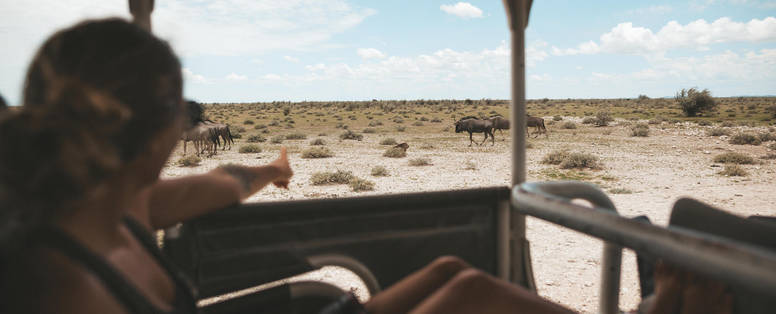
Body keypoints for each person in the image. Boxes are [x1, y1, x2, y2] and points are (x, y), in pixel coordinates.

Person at [0, 18, 571, 314]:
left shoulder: (115, 207)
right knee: (469, 294)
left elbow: (218, 183)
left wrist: (269, 172)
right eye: (186, 111)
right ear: (158, 129)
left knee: (453, 272)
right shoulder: (62, 287)